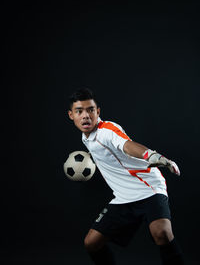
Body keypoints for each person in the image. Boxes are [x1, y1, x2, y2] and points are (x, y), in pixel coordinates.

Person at [68, 87, 184, 265]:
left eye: (90, 110)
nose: (85, 116)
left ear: (98, 112)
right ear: (71, 115)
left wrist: (152, 155)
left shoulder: (107, 130)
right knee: (91, 243)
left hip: (148, 187)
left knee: (162, 233)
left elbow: (127, 145)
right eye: (79, 111)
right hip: (124, 197)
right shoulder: (86, 137)